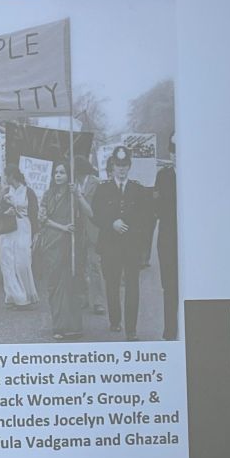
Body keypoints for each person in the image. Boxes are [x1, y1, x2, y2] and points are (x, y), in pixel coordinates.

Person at [92, 145, 152, 340]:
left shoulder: (138, 190)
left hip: (131, 246)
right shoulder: (103, 189)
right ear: (113, 166)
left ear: (129, 166)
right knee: (112, 284)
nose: (121, 169)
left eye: (125, 165)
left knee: (133, 286)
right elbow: (96, 215)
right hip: (110, 245)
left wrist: (140, 242)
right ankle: (115, 320)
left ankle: (131, 329)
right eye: (118, 165)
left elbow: (146, 218)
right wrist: (112, 223)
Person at [38, 161, 83, 340]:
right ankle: (58, 326)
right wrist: (63, 227)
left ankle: (73, 326)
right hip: (52, 243)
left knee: (70, 282)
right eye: (56, 172)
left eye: (62, 172)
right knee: (55, 284)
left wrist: (77, 194)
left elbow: (88, 213)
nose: (58, 175)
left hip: (70, 244)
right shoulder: (47, 194)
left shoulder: (73, 196)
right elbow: (42, 218)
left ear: (68, 176)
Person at [0, 165, 39, 310]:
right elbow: (0, 210)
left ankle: (27, 295)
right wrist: (6, 211)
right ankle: (14, 296)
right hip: (8, 229)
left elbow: (34, 212)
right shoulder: (5, 192)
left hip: (23, 227)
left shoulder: (28, 192)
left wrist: (36, 232)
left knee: (23, 262)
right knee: (8, 263)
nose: (4, 178)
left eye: (6, 175)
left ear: (11, 175)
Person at [73, 156, 106, 316]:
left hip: (93, 230)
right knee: (79, 265)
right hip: (77, 230)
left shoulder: (96, 183)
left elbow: (96, 209)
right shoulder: (72, 184)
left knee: (94, 265)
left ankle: (98, 301)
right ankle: (83, 297)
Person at [154, 137, 178, 340]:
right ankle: (170, 330)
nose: (177, 155)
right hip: (168, 238)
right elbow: (156, 208)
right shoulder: (163, 176)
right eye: (174, 150)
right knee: (169, 286)